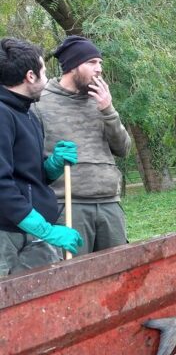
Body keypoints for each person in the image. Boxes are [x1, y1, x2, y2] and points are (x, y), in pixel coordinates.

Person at [34, 36, 132, 255]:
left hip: (109, 203)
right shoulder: (40, 103)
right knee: (75, 278)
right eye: (92, 62)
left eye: (100, 63)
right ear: (72, 67)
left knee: (118, 275)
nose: (99, 69)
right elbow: (30, 161)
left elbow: (123, 148)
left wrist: (108, 109)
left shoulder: (100, 100)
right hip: (68, 205)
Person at [0, 38, 82, 276]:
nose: (47, 80)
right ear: (30, 76)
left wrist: (53, 165)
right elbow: (2, 185)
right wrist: (46, 230)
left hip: (31, 234)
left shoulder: (27, 115)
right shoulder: (3, 115)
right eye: (44, 72)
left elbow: (28, 177)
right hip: (8, 237)